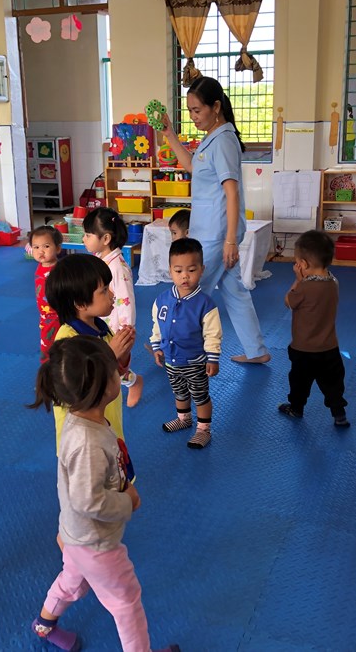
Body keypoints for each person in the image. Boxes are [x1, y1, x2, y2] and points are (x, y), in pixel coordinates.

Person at [27, 336, 180, 652]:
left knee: (73, 581)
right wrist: (127, 501)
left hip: (75, 533)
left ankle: (44, 624)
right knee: (126, 601)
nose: (119, 373)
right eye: (114, 369)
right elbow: (89, 501)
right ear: (101, 387)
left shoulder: (83, 419)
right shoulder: (88, 443)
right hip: (96, 543)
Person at [160, 77, 269, 364]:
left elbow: (232, 192)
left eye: (197, 110)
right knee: (235, 292)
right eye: (190, 111)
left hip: (217, 233)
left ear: (216, 107)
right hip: (211, 230)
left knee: (190, 290)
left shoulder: (222, 141)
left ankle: (174, 349)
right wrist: (170, 134)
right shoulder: (213, 137)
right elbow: (192, 166)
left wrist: (230, 240)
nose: (193, 117)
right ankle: (257, 350)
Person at [46, 253, 136, 454]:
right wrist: (110, 355)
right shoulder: (68, 339)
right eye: (104, 290)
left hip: (108, 419)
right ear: (80, 303)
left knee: (116, 464)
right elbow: (79, 386)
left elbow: (115, 372)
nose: (112, 294)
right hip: (82, 439)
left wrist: (123, 355)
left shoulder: (101, 328)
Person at [150, 238, 222, 449]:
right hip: (171, 361)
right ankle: (184, 419)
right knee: (179, 392)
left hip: (195, 362)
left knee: (200, 396)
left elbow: (213, 334)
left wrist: (213, 358)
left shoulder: (206, 304)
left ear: (202, 270)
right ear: (170, 271)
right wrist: (156, 347)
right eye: (178, 270)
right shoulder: (161, 300)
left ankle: (203, 429)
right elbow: (157, 326)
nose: (185, 276)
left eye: (191, 270)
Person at [278, 231, 349, 426]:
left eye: (297, 263)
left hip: (304, 349)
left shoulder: (304, 287)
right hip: (329, 348)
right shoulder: (333, 282)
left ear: (304, 264)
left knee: (299, 383)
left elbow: (288, 301)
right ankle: (339, 414)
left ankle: (296, 408)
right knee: (333, 383)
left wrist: (298, 280)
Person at [82, 207, 144, 407]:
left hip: (114, 325)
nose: (84, 239)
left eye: (88, 235)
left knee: (113, 364)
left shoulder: (117, 267)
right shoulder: (100, 258)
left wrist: (126, 329)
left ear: (106, 238)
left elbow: (126, 300)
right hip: (100, 319)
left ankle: (133, 382)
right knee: (103, 361)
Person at [31, 225, 64, 364]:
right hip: (45, 318)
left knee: (61, 346)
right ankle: (48, 372)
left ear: (58, 248)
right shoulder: (40, 266)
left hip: (60, 316)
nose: (41, 251)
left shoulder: (60, 269)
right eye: (36, 247)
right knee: (47, 347)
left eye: (46, 246)